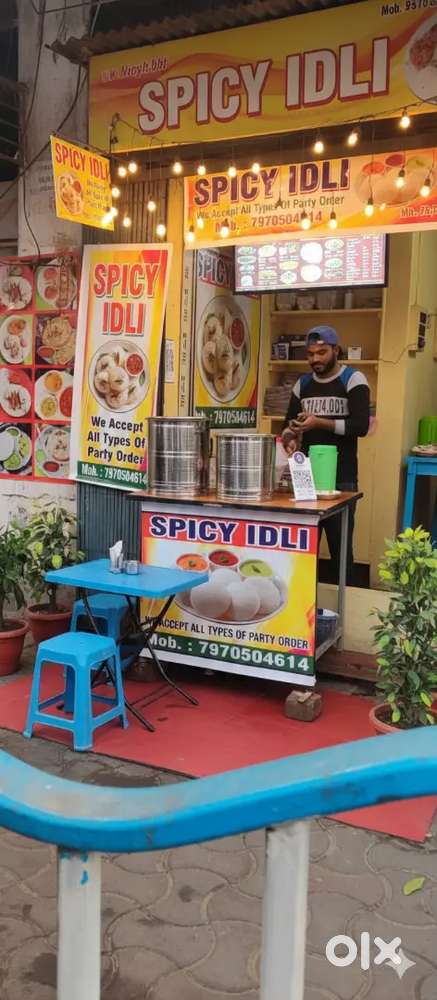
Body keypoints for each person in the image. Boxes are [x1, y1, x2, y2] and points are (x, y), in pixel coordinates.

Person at [282, 325, 370, 584]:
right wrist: (290, 436)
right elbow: (288, 423)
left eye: (321, 352)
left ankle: (345, 599)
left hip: (341, 478)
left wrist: (320, 423)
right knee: (304, 545)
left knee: (340, 546)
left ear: (336, 350)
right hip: (306, 478)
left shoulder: (353, 379)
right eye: (310, 354)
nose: (315, 359)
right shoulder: (303, 384)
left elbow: (360, 426)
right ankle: (304, 601)